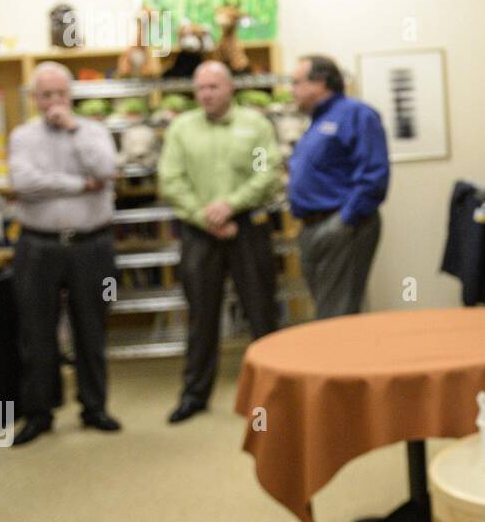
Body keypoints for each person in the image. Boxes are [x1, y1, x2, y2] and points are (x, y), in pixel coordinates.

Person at [158, 60, 282, 423]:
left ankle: (274, 393)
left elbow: (267, 174)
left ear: (230, 88)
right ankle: (194, 395)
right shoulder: (181, 128)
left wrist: (231, 205)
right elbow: (171, 179)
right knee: (201, 317)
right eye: (201, 89)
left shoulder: (255, 125)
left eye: (214, 87)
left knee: (261, 312)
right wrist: (205, 216)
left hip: (247, 226)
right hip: (200, 232)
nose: (207, 94)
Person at [7, 61, 120, 446]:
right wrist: (78, 184)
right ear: (35, 98)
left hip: (92, 246)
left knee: (92, 327)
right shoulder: (22, 136)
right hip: (38, 246)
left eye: (60, 94)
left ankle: (95, 407)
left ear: (70, 96)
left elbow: (106, 169)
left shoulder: (94, 131)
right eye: (46, 95)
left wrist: (74, 132)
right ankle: (39, 413)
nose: (54, 102)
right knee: (36, 332)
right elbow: (24, 182)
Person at [286, 55, 389, 319]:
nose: (291, 90)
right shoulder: (318, 121)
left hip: (342, 225)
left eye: (296, 83)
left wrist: (344, 221)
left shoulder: (356, 114)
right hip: (313, 227)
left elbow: (373, 175)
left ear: (320, 83)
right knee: (327, 312)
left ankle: (343, 361)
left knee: (336, 316)